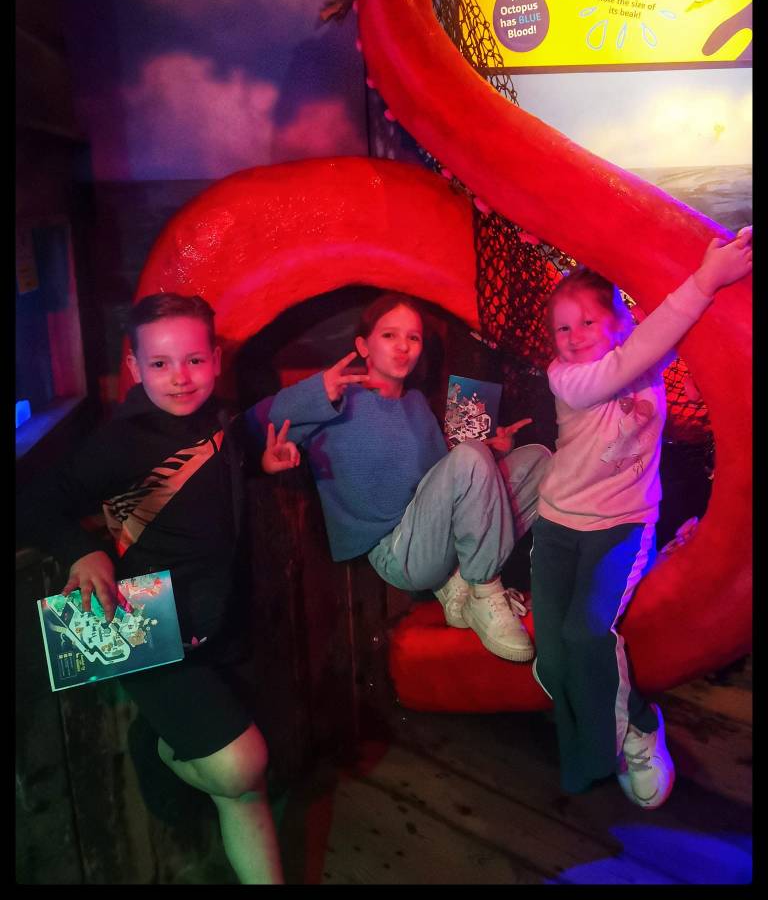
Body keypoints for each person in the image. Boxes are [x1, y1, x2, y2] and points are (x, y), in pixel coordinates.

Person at [17, 293, 295, 885]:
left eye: (193, 360)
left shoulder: (220, 418)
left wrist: (260, 466)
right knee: (244, 767)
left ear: (215, 359)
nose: (180, 377)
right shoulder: (119, 441)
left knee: (245, 787)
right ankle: (160, 751)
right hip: (145, 628)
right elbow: (34, 502)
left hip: (217, 622)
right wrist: (83, 550)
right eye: (161, 364)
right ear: (135, 367)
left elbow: (203, 481)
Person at [530, 226, 752, 808]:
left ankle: (637, 728)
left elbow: (664, 335)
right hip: (557, 528)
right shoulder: (567, 378)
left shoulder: (647, 356)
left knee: (586, 633)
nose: (573, 337)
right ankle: (600, 739)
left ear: (618, 322)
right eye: (562, 328)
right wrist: (703, 281)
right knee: (551, 661)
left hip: (621, 528)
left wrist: (710, 277)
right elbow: (624, 363)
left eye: (587, 321)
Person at [251, 293, 551, 662]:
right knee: (472, 458)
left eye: (413, 337)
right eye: (389, 335)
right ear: (363, 346)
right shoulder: (337, 398)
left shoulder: (416, 404)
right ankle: (485, 591)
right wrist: (314, 392)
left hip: (435, 535)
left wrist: (493, 452)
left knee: (538, 460)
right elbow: (250, 426)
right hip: (398, 553)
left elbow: (444, 477)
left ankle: (461, 581)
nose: (403, 347)